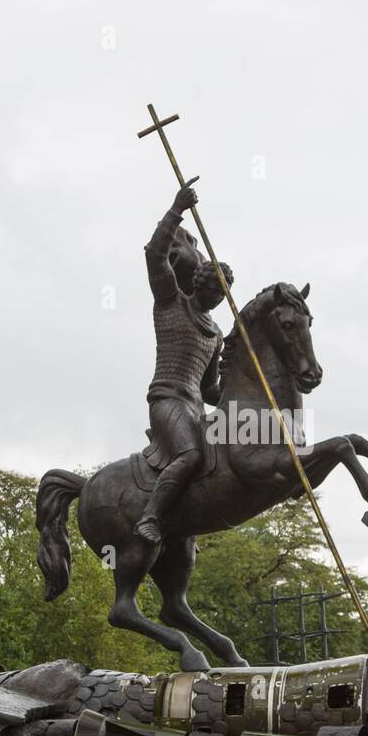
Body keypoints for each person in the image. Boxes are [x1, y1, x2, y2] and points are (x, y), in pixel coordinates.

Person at [136, 177, 233, 545]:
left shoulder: (216, 333)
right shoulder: (169, 301)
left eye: (220, 295)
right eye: (211, 290)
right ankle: (150, 516)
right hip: (167, 400)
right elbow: (154, 255)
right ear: (198, 282)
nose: (214, 299)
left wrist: (235, 384)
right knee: (191, 456)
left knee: (226, 458)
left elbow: (209, 389)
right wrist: (177, 209)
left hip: (195, 408)